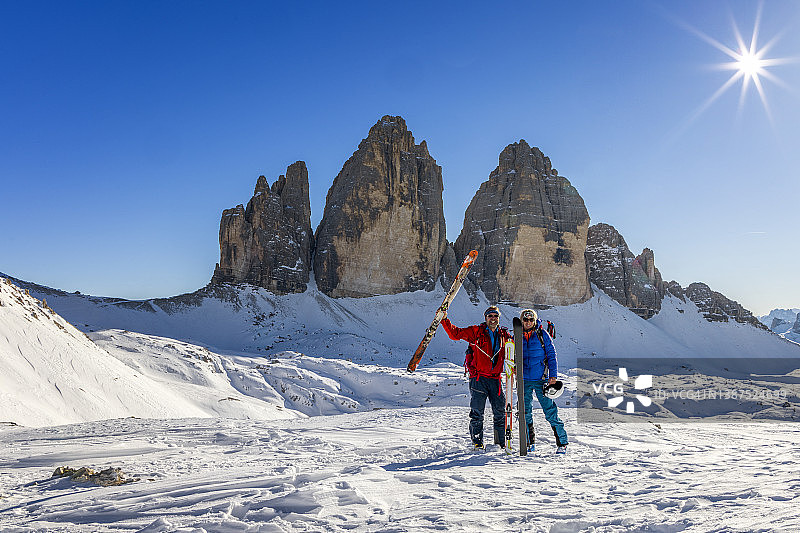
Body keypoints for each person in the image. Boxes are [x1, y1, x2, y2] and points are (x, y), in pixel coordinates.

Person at [441, 305, 511, 449]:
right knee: (477, 412)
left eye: (495, 316)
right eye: (490, 316)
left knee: (500, 412)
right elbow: (455, 334)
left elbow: (514, 352)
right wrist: (444, 320)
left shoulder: (504, 335)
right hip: (478, 379)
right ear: (485, 318)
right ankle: (477, 442)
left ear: (499, 318)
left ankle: (501, 443)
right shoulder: (476, 331)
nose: (493, 319)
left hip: (496, 379)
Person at [519, 308, 568, 454]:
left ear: (535, 321)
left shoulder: (542, 334)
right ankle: (529, 443)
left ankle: (562, 443)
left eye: (531, 320)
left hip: (541, 380)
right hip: (524, 380)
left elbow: (552, 355)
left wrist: (553, 376)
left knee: (550, 412)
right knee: (525, 412)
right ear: (522, 320)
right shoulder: (516, 335)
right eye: (525, 320)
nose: (528, 322)